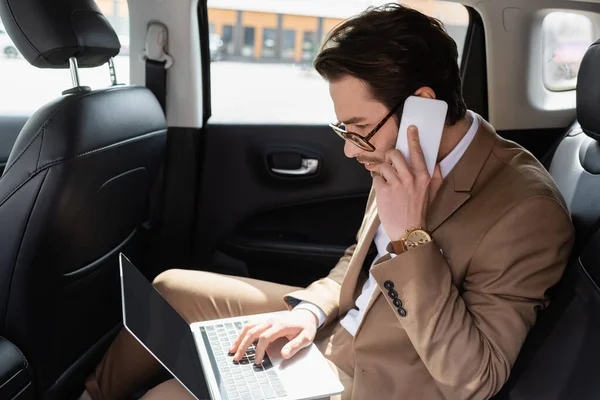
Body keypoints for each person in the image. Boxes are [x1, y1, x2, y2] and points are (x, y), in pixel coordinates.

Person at [82, 4, 574, 400]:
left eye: (358, 130)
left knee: (167, 396)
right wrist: (309, 313)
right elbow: (354, 266)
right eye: (344, 129)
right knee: (170, 289)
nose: (347, 148)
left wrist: (410, 240)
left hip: (374, 379)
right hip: (333, 332)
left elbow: (474, 379)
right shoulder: (399, 153)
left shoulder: (527, 211)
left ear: (423, 105)